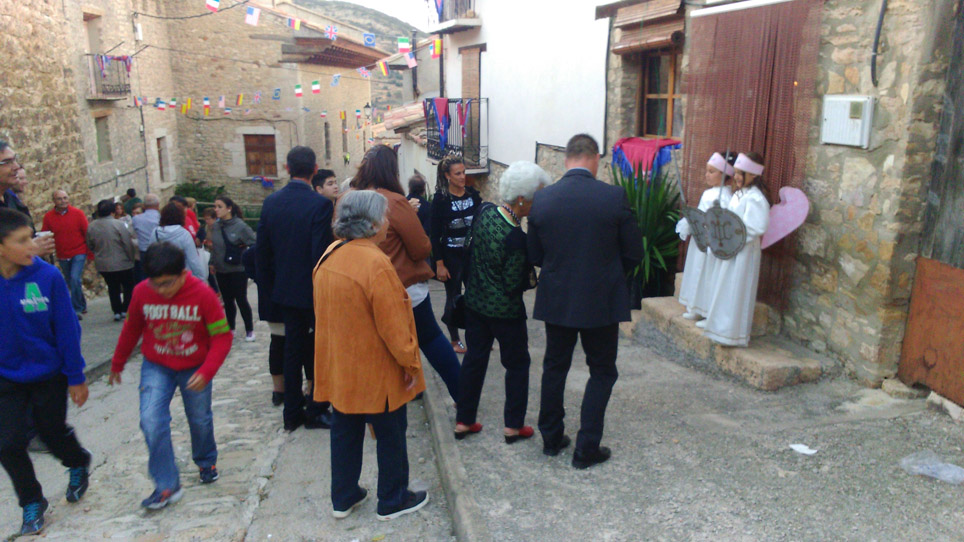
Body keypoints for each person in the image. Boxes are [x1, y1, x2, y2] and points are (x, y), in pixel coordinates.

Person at [528, 134, 643, 469]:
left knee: (554, 367)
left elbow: (534, 254)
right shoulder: (613, 197)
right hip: (601, 300)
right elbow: (634, 252)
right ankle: (586, 448)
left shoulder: (542, 200)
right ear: (595, 158)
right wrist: (609, 273)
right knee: (602, 371)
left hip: (558, 298)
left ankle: (551, 439)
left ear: (566, 160)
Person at [313, 190, 429, 521]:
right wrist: (410, 362)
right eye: (385, 217)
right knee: (391, 432)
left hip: (342, 364)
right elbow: (393, 325)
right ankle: (393, 498)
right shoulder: (375, 263)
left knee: (345, 430)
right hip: (376, 367)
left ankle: (343, 496)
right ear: (373, 223)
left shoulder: (331, 254)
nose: (388, 223)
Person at [109, 242, 232, 509]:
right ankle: (167, 484)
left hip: (195, 366)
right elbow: (131, 328)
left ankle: (206, 460)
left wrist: (207, 370)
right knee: (151, 421)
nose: (161, 290)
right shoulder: (142, 292)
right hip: (157, 365)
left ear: (183, 273)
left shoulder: (203, 294)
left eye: (167, 283)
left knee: (199, 419)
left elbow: (222, 337)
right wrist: (118, 362)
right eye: (156, 284)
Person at [0, 208, 92, 535]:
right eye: (22, 240)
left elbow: (67, 330)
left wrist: (76, 376)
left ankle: (77, 461)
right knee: (7, 443)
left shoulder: (47, 277)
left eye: (32, 237)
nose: (33, 245)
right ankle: (32, 500)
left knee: (51, 433)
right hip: (6, 376)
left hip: (49, 374)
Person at [352, 146, 461, 402]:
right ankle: (463, 398)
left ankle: (406, 391)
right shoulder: (393, 201)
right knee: (431, 339)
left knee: (387, 344)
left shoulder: (351, 199)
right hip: (402, 286)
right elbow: (421, 247)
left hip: (364, 287)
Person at [455, 161, 548, 442]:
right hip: (505, 313)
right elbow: (513, 284)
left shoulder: (484, 212)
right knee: (517, 365)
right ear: (521, 199)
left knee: (474, 360)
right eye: (535, 198)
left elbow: (469, 250)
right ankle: (513, 426)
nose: (537, 204)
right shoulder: (516, 238)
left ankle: (464, 420)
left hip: (475, 305)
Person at [256, 146, 333, 431]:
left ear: (287, 169)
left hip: (284, 290)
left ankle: (291, 412)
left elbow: (262, 251)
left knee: (291, 350)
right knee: (317, 349)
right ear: (315, 170)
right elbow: (319, 254)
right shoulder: (320, 205)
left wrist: (270, 289)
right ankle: (316, 408)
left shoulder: (271, 202)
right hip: (312, 290)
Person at [701, 152, 771, 347]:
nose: (737, 177)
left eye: (742, 173)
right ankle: (721, 329)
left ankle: (733, 334)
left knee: (737, 290)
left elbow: (757, 227)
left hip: (744, 251)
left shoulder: (756, 199)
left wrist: (733, 236)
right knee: (724, 287)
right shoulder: (740, 194)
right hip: (731, 247)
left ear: (754, 175)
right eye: (737, 172)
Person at [431, 155, 482, 353]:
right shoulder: (441, 200)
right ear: (447, 176)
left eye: (463, 172)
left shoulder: (473, 195)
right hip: (451, 257)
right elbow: (434, 235)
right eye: (458, 173)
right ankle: (454, 340)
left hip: (472, 256)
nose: (462, 177)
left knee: (475, 295)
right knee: (453, 296)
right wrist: (439, 264)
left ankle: (477, 337)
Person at [676, 152, 736, 320]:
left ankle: (707, 311)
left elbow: (722, 221)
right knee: (697, 271)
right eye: (707, 171)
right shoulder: (709, 193)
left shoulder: (724, 197)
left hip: (711, 242)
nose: (707, 175)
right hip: (700, 240)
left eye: (712, 171)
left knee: (708, 275)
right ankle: (695, 306)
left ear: (724, 174)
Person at [209, 195, 257, 341]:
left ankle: (249, 329)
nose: (216, 209)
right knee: (227, 300)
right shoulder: (216, 226)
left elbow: (254, 243)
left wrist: (244, 255)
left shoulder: (240, 226)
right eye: (215, 206)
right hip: (221, 269)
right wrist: (212, 262)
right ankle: (231, 328)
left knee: (241, 299)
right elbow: (214, 247)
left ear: (229, 208)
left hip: (237, 269)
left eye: (220, 206)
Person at [0, 141, 55, 257]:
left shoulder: (10, 198)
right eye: (7, 162)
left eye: (15, 159)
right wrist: (29, 250)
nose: (16, 167)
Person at [41, 190, 89, 318]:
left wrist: (90, 253)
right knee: (71, 281)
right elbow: (45, 233)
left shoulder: (78, 213)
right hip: (62, 254)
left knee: (74, 278)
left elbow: (87, 233)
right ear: (54, 201)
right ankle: (82, 304)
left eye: (65, 198)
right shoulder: (49, 217)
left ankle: (76, 309)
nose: (63, 201)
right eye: (59, 199)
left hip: (79, 251)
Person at [86, 199, 137, 321]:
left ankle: (116, 310)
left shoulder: (91, 226)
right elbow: (127, 243)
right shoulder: (119, 224)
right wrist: (131, 258)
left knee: (112, 287)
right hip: (122, 262)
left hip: (103, 263)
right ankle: (125, 308)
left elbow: (90, 244)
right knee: (128, 286)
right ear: (112, 211)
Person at [152, 202, 205, 279]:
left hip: (162, 273)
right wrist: (201, 277)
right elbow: (193, 260)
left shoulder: (156, 232)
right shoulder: (184, 234)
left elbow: (152, 253)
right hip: (181, 274)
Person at [132, 194, 161, 281]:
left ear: (144, 206)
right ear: (158, 205)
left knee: (145, 278)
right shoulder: (161, 218)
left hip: (144, 252)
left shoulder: (136, 219)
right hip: (160, 250)